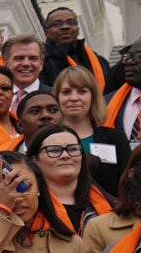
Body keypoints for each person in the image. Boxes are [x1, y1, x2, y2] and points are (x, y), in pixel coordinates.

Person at [53, 65, 130, 196]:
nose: (74, 98)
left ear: (93, 97)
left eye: (82, 91)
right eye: (66, 92)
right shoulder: (48, 139)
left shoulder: (115, 138)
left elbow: (127, 182)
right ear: (56, 97)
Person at [33, 124, 112, 235]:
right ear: (35, 159)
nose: (65, 155)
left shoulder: (112, 206)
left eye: (73, 149)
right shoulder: (26, 209)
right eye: (54, 150)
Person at [43, 6, 116, 94]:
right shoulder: (41, 61)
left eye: (71, 22)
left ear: (77, 30)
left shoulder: (99, 61)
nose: (65, 27)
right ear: (46, 33)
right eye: (57, 24)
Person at [1, 34, 50, 111]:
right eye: (19, 58)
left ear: (41, 63)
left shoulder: (55, 96)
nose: (26, 63)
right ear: (5, 63)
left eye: (33, 58)